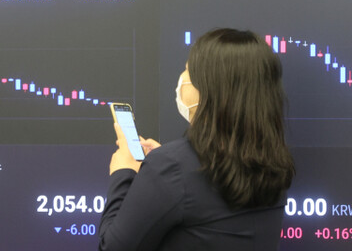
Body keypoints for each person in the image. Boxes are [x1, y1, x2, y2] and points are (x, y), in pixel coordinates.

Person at [98, 28, 295, 250]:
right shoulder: (273, 165)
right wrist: (166, 169)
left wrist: (123, 173)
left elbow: (111, 247)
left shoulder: (171, 168)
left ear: (212, 90)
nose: (182, 80)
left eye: (188, 72)